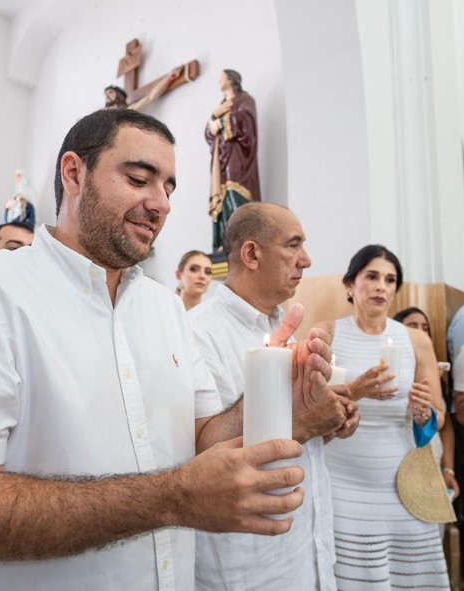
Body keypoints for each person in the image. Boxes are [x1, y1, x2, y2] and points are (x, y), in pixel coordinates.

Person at [0, 108, 334, 591]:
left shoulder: (164, 308)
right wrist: (173, 498)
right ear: (74, 173)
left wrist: (272, 392)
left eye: (169, 188)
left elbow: (202, 436)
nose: (160, 203)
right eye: (140, 178)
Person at [190, 203, 360, 591]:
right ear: (251, 254)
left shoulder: (283, 327)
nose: (307, 259)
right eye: (293, 245)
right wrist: (304, 424)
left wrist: (332, 418)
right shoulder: (198, 335)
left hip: (305, 548)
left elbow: (303, 417)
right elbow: (199, 454)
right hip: (248, 564)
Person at [315, 244, 447, 589]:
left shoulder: (416, 340)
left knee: (410, 575)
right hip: (343, 477)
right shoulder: (328, 333)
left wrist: (423, 412)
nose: (381, 287)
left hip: (403, 478)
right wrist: (355, 391)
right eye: (371, 276)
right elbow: (309, 410)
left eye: (390, 280)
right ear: (350, 284)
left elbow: (439, 416)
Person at [394, 306, 459, 499]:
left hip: (434, 459)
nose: (420, 332)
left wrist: (448, 469)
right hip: (402, 459)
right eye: (412, 326)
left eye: (425, 327)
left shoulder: (438, 377)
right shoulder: (393, 372)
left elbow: (446, 427)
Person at [205, 69, 261, 253]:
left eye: (222, 76)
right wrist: (214, 117)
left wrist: (220, 122)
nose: (219, 79)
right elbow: (209, 132)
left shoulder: (245, 100)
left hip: (238, 157)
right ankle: (225, 243)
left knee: (234, 193)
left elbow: (245, 120)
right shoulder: (222, 105)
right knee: (222, 199)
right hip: (220, 159)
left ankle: (243, 239)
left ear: (231, 79)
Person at [104, 66, 184, 112]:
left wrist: (169, 77)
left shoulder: (128, 111)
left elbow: (151, 97)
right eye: (106, 94)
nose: (107, 95)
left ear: (119, 95)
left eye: (111, 92)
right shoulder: (103, 115)